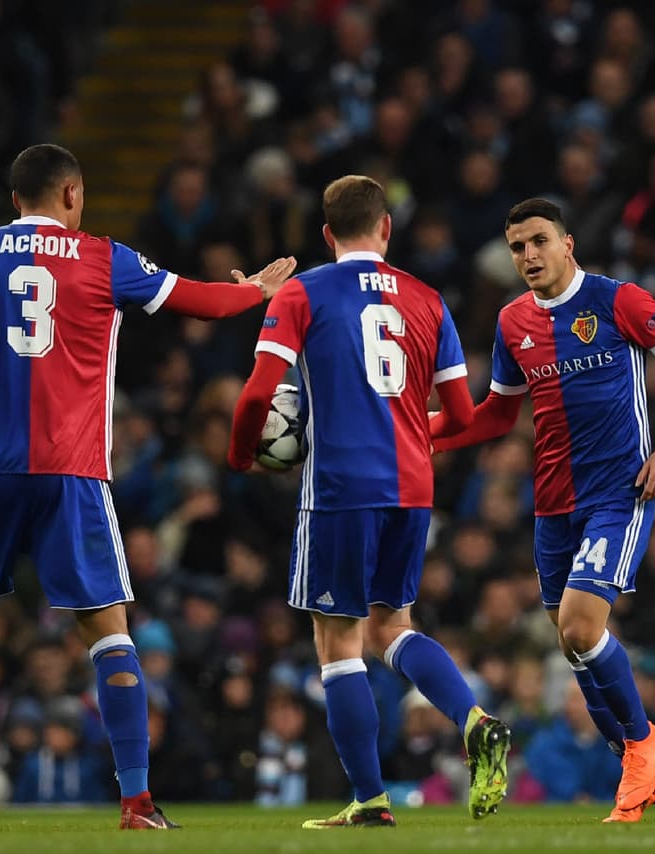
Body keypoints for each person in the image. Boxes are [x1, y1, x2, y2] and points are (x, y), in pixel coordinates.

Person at [0, 143, 296, 832]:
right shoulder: (105, 258)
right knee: (107, 631)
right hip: (70, 470)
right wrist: (255, 290)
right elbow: (203, 304)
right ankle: (137, 803)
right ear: (72, 195)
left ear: (17, 200)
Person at [227, 174, 510, 828]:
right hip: (412, 488)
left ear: (327, 234)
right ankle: (474, 718)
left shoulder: (303, 292)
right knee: (393, 626)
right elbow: (463, 416)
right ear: (387, 228)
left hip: (339, 489)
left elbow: (254, 395)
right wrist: (409, 435)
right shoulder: (427, 300)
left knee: (338, 644)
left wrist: (243, 455)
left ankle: (369, 799)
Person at [430, 198, 655, 823]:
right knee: (572, 642)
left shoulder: (621, 302)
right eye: (517, 247)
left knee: (582, 628)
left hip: (619, 492)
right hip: (551, 502)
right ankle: (634, 768)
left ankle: (642, 747)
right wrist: (423, 432)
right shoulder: (511, 322)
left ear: (567, 243)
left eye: (537, 242)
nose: (528, 256)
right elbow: (498, 415)